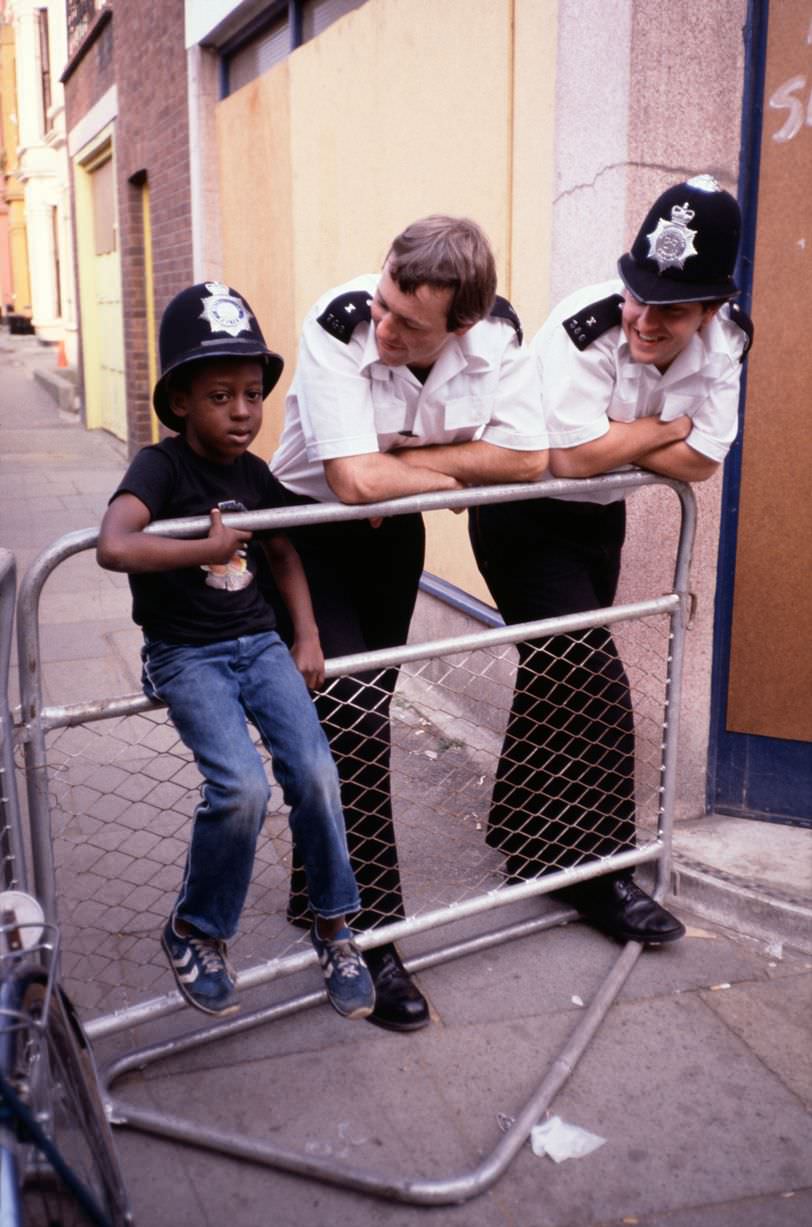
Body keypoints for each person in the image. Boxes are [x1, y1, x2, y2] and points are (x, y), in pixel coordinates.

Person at [270, 216, 548, 1030]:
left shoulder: (498, 337)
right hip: (307, 531)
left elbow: (529, 458)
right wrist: (442, 468)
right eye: (384, 300)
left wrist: (405, 470)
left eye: (407, 321)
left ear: (460, 325)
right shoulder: (337, 322)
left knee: (360, 718)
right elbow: (348, 482)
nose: (382, 325)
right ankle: (368, 931)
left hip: (397, 535)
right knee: (351, 719)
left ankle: (312, 884)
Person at [469, 175, 753, 944]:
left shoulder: (731, 339)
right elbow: (568, 456)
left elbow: (705, 460)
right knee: (595, 688)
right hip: (521, 519)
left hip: (599, 523)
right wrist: (669, 427)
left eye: (672, 310)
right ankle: (602, 880)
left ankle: (528, 846)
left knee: (553, 672)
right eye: (639, 297)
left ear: (713, 310)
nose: (645, 320)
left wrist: (630, 445)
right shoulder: (583, 323)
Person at [96, 282, 375, 1021]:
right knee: (241, 787)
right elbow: (112, 544)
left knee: (316, 770)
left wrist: (307, 634)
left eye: (253, 393)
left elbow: (284, 549)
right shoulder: (161, 469)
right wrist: (204, 545)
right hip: (187, 653)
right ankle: (195, 929)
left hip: (260, 644)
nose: (244, 411)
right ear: (181, 400)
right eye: (222, 395)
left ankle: (335, 925)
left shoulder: (252, 474)